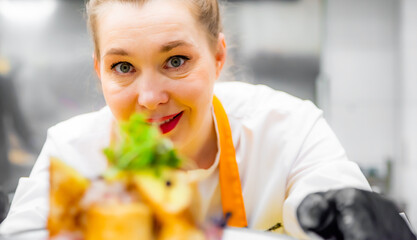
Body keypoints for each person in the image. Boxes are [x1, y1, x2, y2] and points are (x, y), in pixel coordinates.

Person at [0, 0, 415, 239]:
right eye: (123, 67)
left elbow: (328, 195)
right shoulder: (72, 151)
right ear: (98, 70)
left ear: (218, 57)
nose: (150, 98)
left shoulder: (286, 128)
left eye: (175, 60)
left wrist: (335, 213)